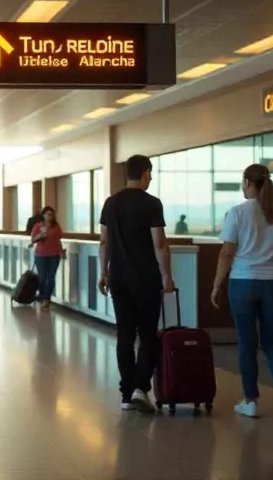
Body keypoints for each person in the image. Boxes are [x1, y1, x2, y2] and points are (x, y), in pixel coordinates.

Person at [210, 163, 273, 426]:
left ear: (248, 183)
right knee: (272, 343)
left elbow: (227, 252)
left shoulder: (237, 213)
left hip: (242, 284)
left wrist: (217, 284)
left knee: (247, 343)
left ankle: (250, 401)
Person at [98, 154, 175, 414]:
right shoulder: (152, 203)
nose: (151, 178)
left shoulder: (111, 203)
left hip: (118, 278)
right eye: (150, 173)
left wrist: (103, 272)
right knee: (147, 334)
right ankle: (141, 388)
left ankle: (126, 394)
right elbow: (160, 244)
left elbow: (104, 242)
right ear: (144, 173)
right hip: (146, 279)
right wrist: (167, 275)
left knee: (125, 334)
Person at [31, 206, 64, 310]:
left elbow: (58, 240)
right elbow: (32, 239)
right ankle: (42, 296)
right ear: (43, 215)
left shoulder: (56, 226)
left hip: (54, 255)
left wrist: (61, 251)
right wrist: (40, 235)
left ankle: (47, 299)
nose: (50, 216)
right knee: (42, 277)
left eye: (52, 214)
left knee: (51, 277)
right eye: (48, 214)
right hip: (40, 255)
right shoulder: (37, 226)